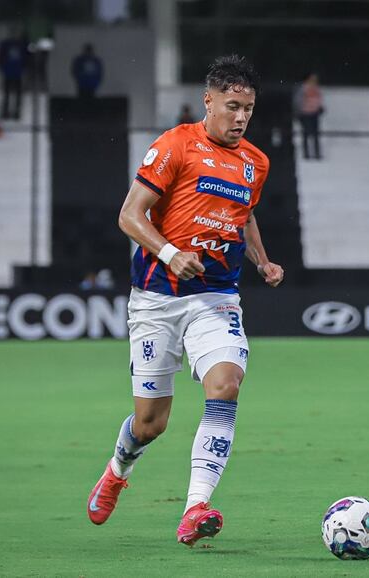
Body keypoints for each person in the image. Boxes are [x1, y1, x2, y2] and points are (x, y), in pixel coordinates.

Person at [86, 55, 284, 547]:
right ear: (209, 101)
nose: (241, 118)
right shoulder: (175, 145)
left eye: (249, 109)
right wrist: (171, 253)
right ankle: (116, 470)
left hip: (215, 296)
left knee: (225, 385)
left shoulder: (255, 161)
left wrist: (262, 260)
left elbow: (245, 214)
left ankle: (196, 507)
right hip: (156, 299)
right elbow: (130, 216)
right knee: (151, 424)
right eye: (232, 107)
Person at [295, 72, 323, 159]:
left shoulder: (316, 89)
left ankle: (317, 153)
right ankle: (306, 154)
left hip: (315, 113)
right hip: (305, 113)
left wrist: (320, 107)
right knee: (306, 134)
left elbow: (319, 99)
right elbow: (298, 101)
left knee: (315, 135)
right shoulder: (303, 89)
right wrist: (299, 111)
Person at [0, 28, 26, 120]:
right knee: (10, 94)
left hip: (14, 72)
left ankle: (13, 112)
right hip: (11, 72)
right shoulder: (9, 44)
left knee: (12, 94)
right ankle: (10, 112)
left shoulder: (17, 45)